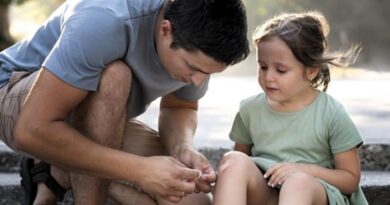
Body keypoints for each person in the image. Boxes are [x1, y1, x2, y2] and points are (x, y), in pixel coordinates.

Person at [0, 0, 250, 204]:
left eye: (207, 73)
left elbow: (179, 106)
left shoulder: (196, 45)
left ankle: (56, 170)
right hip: (20, 96)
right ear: (165, 29)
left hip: (92, 119)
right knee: (115, 76)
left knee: (192, 200)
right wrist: (139, 171)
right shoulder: (105, 19)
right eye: (193, 68)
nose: (197, 82)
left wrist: (182, 147)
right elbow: (31, 130)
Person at [212, 11, 368, 205]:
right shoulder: (249, 110)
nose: (269, 77)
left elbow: (350, 179)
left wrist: (302, 170)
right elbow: (242, 167)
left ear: (311, 71)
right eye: (263, 67)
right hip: (268, 191)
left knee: (297, 182)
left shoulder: (331, 113)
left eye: (281, 70)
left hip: (314, 192)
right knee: (233, 160)